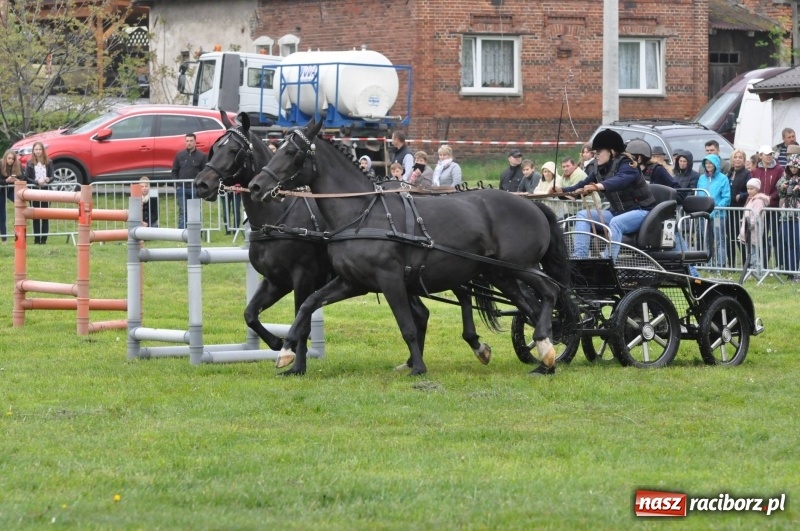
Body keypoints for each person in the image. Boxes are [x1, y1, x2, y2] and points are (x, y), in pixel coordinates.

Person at [555, 129, 656, 260]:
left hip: (642, 211)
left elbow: (621, 180)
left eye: (599, 152)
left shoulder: (628, 164)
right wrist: (562, 191)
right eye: (594, 153)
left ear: (612, 151)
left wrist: (597, 186)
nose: (595, 155)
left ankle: (608, 261)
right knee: (582, 215)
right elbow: (581, 185)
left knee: (616, 223)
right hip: (617, 212)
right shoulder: (598, 167)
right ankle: (580, 258)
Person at [697, 153, 731, 271]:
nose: (708, 165)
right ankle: (708, 264)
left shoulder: (723, 178)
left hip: (718, 215)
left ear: (716, 164)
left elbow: (726, 197)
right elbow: (698, 194)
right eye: (706, 163)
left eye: (710, 163)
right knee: (706, 240)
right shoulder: (701, 178)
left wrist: (716, 208)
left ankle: (720, 266)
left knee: (719, 240)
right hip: (703, 215)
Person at [752, 145, 783, 268]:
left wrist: (770, 198)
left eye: (771, 154)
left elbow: (779, 188)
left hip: (774, 208)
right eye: (767, 154)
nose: (769, 156)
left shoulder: (779, 169)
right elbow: (753, 188)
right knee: (762, 237)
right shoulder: (755, 171)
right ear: (760, 156)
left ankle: (779, 265)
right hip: (760, 210)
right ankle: (763, 265)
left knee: (776, 238)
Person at [171, 133, 207, 230]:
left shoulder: (202, 156)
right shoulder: (179, 155)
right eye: (187, 141)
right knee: (183, 211)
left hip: (195, 189)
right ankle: (182, 233)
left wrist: (200, 187)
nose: (189, 143)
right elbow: (174, 171)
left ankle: (196, 232)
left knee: (195, 210)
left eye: (191, 141)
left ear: (195, 142)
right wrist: (177, 186)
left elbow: (205, 173)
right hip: (181, 188)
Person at [738, 178, 771, 274]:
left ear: (757, 189)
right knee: (750, 251)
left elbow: (756, 215)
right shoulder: (750, 200)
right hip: (747, 229)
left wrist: (750, 224)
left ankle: (757, 271)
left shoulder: (758, 201)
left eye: (752, 188)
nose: (749, 191)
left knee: (753, 251)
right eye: (748, 188)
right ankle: (753, 270)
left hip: (753, 229)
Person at [24, 141, 53, 244]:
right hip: (34, 190)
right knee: (35, 216)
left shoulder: (49, 162)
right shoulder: (30, 163)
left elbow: (52, 176)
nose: (38, 151)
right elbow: (26, 177)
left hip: (46, 190)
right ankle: (36, 239)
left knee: (45, 215)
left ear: (43, 150)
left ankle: (44, 240)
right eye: (36, 149)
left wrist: (48, 179)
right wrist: (36, 182)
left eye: (40, 149)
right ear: (33, 151)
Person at [777, 154, 800, 280]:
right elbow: (779, 189)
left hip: (798, 216)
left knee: (798, 243)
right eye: (790, 167)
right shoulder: (785, 177)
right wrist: (783, 187)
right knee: (790, 243)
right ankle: (791, 272)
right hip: (786, 215)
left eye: (795, 167)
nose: (793, 169)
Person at [727, 149, 751, 268]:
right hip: (728, 210)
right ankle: (731, 265)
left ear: (744, 160)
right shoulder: (729, 173)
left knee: (740, 237)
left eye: (740, 157)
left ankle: (745, 263)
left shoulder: (747, 173)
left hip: (739, 209)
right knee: (729, 238)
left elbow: (751, 190)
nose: (737, 159)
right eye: (735, 157)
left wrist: (741, 196)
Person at [1, 149, 23, 244]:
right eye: (9, 158)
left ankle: (20, 235)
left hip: (10, 190)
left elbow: (23, 177)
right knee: (2, 216)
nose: (10, 160)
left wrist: (17, 180)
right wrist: (6, 181)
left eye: (12, 159)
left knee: (21, 206)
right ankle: (4, 239)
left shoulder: (17, 166)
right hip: (1, 191)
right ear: (5, 158)